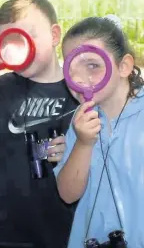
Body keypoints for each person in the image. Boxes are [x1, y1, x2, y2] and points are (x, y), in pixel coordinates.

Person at [0, 0, 79, 247]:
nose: (21, 47)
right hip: (11, 227)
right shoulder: (3, 88)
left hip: (70, 227)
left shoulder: (78, 90)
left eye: (29, 35)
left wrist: (76, 148)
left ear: (54, 35)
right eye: (10, 41)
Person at [55, 16, 144, 247]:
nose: (80, 78)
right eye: (71, 67)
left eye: (93, 65)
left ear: (124, 66)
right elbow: (67, 194)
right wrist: (83, 143)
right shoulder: (80, 118)